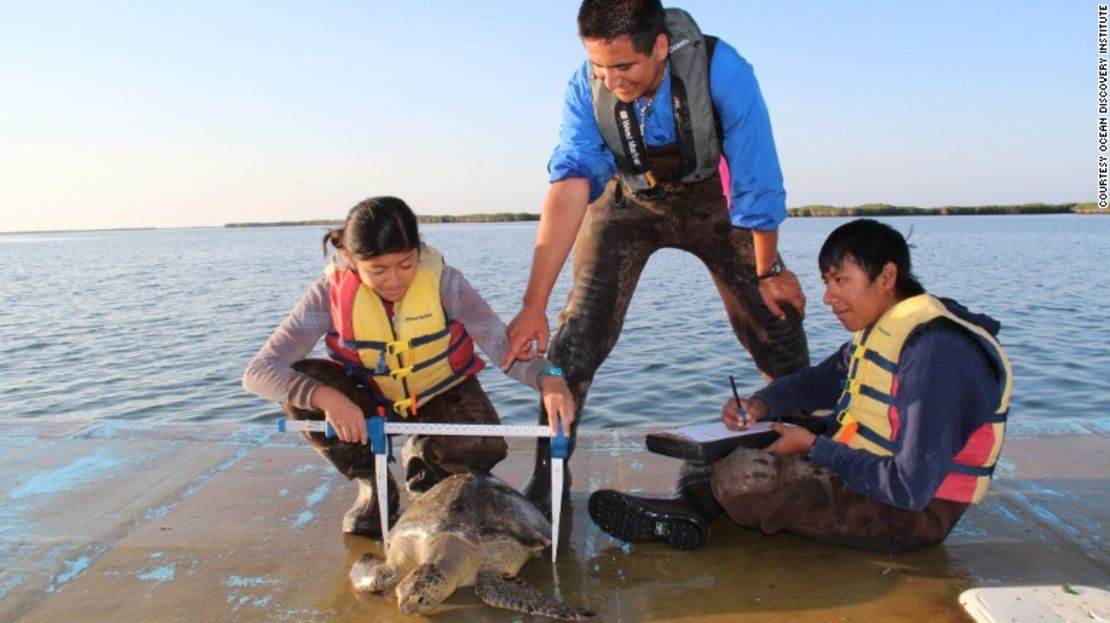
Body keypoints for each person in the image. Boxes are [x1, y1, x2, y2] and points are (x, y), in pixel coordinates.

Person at [502, 0, 810, 513]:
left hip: (710, 200)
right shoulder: (586, 87)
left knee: (775, 324)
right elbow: (571, 183)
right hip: (627, 201)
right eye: (600, 67)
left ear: (660, 46)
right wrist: (533, 304)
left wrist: (770, 270)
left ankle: (806, 442)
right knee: (576, 339)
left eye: (624, 66)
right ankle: (547, 473)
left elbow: (757, 175)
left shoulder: (723, 69)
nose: (612, 79)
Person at [588, 219, 1012, 554]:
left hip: (912, 514)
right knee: (731, 440)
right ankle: (687, 512)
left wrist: (812, 447)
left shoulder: (936, 356)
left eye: (840, 281)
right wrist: (760, 404)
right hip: (871, 470)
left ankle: (697, 506)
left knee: (743, 478)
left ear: (886, 276)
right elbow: (818, 381)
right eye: (826, 283)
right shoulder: (882, 330)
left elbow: (910, 487)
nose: (827, 297)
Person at [242, 196, 575, 537]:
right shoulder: (326, 295)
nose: (394, 280)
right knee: (303, 385)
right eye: (378, 270)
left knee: (481, 445)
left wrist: (548, 378)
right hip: (369, 399)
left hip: (441, 391)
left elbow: (503, 348)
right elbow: (258, 372)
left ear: (418, 250)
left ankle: (425, 461)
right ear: (350, 259)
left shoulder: (447, 284)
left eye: (405, 264)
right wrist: (326, 397)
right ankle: (371, 483)